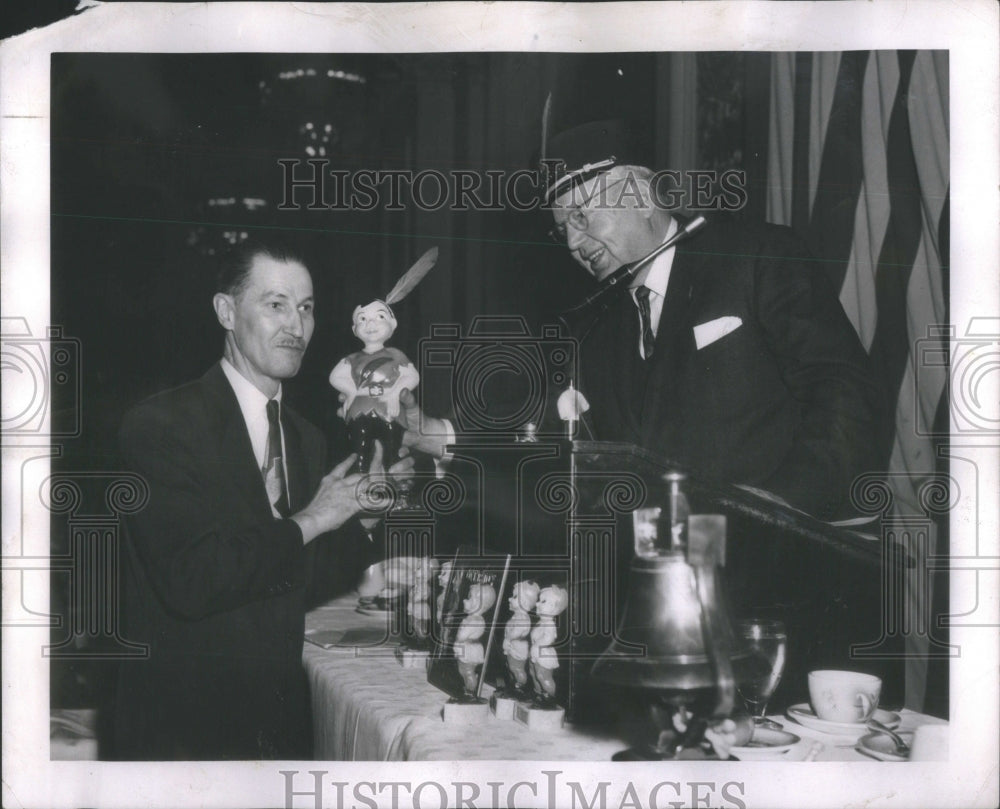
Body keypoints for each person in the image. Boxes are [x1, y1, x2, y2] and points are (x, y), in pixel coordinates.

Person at [113, 239, 411, 760]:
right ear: (226, 311)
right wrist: (315, 517)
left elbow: (300, 582)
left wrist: (360, 516)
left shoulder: (308, 437)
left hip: (279, 730)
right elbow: (193, 579)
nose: (296, 326)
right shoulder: (160, 425)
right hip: (185, 737)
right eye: (275, 305)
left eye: (307, 308)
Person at [538, 120, 883, 520]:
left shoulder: (756, 259)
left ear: (643, 198)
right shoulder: (595, 329)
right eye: (561, 230)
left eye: (581, 217)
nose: (572, 244)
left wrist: (777, 506)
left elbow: (845, 394)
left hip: (782, 556)